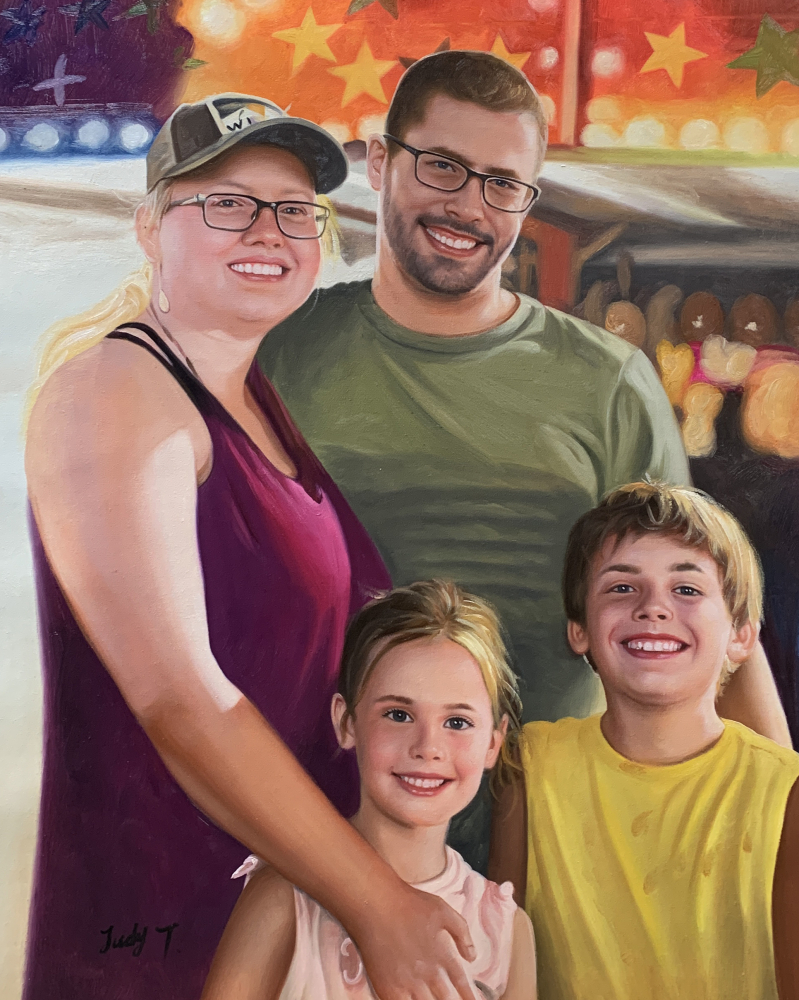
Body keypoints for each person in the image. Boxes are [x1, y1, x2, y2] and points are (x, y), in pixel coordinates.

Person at [258, 50, 791, 871]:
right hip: (329, 840)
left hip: (566, 853)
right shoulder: (279, 353)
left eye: (501, 183)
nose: (467, 205)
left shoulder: (606, 380)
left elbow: (701, 609)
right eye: (441, 166)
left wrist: (782, 830)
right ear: (378, 163)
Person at [24, 94, 479, 1000]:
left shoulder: (250, 399)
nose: (267, 230)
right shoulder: (116, 390)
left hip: (287, 930)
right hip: (165, 938)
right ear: (151, 227)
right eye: (227, 203)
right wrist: (380, 906)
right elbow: (180, 698)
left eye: (294, 210)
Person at [488, 482, 799, 1000]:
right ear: (580, 629)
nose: (653, 608)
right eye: (621, 588)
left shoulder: (786, 791)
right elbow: (504, 974)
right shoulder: (531, 766)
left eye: (687, 589)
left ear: (741, 635)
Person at [201, 580, 537, 1000]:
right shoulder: (283, 899)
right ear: (346, 722)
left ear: (493, 742)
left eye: (457, 723)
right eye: (398, 714)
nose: (427, 748)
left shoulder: (505, 930)